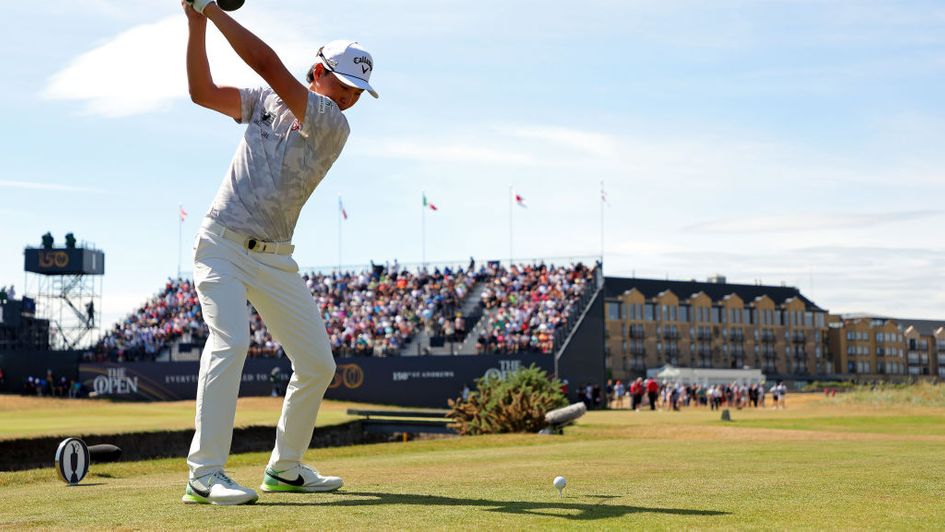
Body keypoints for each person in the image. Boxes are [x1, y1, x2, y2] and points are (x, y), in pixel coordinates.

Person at [180, 0, 378, 506]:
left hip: (275, 258)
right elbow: (202, 93)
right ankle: (205, 474)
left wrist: (210, 8)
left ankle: (285, 467)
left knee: (317, 364)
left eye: (358, 92)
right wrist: (196, 23)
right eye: (344, 84)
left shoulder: (333, 123)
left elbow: (267, 63)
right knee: (231, 342)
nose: (350, 98)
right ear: (319, 71)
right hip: (221, 242)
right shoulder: (266, 101)